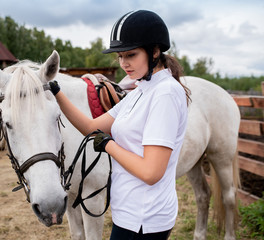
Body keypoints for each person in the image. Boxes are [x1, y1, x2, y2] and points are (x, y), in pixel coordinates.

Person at [50, 10, 190, 240]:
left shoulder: (164, 94)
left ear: (155, 51)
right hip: (129, 212)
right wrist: (57, 92)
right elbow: (91, 127)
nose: (124, 63)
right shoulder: (141, 91)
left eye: (131, 55)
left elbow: (151, 172)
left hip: (146, 218)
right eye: (120, 56)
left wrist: (109, 146)